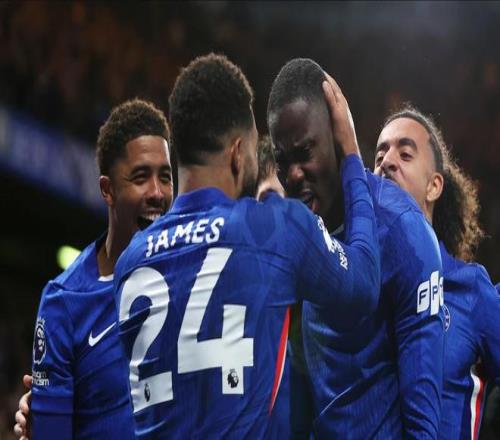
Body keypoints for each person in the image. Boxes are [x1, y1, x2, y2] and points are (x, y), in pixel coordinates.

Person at [113, 53, 380, 438]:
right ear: (238, 153)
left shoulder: (130, 261)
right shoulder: (275, 226)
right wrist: (351, 155)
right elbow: (364, 286)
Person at [267, 58, 444, 439]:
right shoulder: (293, 237)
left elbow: (423, 418)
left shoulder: (402, 231)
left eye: (305, 152)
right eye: (283, 160)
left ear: (337, 139)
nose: (293, 175)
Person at [13, 98, 174, 439]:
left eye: (165, 176)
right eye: (141, 177)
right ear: (107, 189)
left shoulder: (192, 271)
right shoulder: (64, 301)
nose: (157, 193)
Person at [374, 104, 500, 440]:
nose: (387, 162)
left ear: (434, 186)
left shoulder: (470, 290)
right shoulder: (358, 284)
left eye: (405, 154)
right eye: (380, 155)